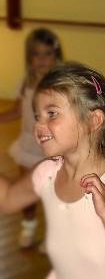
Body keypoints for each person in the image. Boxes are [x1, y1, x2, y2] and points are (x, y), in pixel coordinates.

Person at [0, 62, 105, 279]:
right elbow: (7, 199)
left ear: (93, 120)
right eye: (37, 116)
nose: (38, 125)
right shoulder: (47, 174)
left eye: (51, 113)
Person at [0, 28, 63, 249]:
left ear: (56, 56)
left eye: (48, 53)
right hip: (28, 146)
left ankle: (53, 236)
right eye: (37, 54)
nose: (43, 59)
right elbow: (18, 110)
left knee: (54, 194)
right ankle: (28, 226)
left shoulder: (60, 87)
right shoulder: (25, 83)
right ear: (29, 57)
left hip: (53, 147)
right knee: (26, 190)